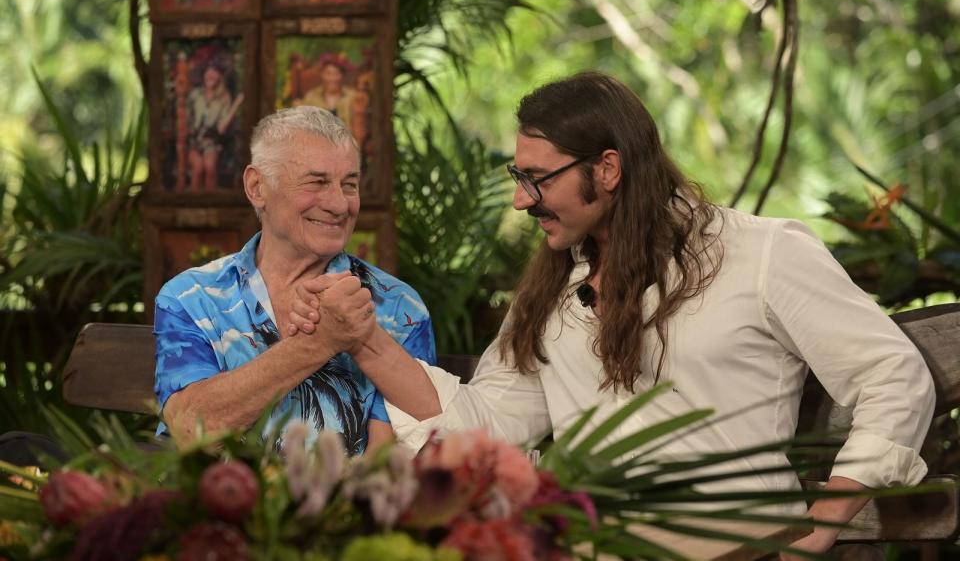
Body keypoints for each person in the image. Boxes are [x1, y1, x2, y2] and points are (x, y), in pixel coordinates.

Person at [288, 71, 935, 557]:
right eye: (519, 175)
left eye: (538, 177)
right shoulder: (551, 292)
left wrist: (814, 535)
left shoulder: (760, 254)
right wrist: (366, 340)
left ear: (608, 168)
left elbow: (891, 376)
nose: (520, 198)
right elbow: (485, 431)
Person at [154, 106, 436, 455]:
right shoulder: (191, 299)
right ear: (257, 187)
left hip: (341, 508)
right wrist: (317, 343)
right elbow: (190, 427)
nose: (339, 204)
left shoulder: (398, 307)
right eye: (317, 182)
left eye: (349, 184)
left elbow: (387, 465)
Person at [185, 62, 243, 191]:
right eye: (208, 72)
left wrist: (236, 105)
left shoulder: (224, 97)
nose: (210, 75)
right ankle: (194, 203)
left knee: (209, 166)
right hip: (194, 141)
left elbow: (221, 128)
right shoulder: (196, 94)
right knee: (198, 168)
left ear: (219, 77)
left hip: (210, 141)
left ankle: (210, 202)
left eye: (214, 72)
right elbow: (186, 117)